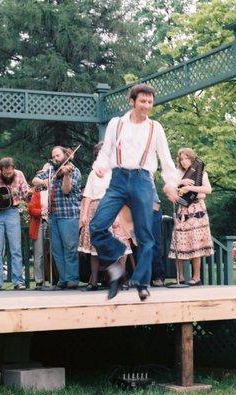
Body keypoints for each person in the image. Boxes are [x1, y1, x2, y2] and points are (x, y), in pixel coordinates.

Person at [90, 83, 179, 301]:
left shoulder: (154, 128)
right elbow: (107, 150)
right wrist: (100, 166)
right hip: (118, 179)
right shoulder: (116, 124)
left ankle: (142, 282)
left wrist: (170, 183)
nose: (147, 106)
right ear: (132, 101)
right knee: (97, 226)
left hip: (142, 180)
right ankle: (118, 261)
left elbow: (166, 158)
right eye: (142, 101)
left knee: (145, 235)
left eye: (150, 102)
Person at [78, 142, 132, 291]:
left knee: (119, 245)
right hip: (95, 209)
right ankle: (93, 281)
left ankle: (120, 280)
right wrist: (84, 214)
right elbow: (87, 195)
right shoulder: (93, 173)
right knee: (95, 247)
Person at [33, 146, 81, 289]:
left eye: (58, 156)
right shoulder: (50, 171)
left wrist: (66, 175)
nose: (55, 159)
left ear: (66, 155)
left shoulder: (74, 171)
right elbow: (34, 180)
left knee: (70, 248)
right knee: (57, 250)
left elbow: (66, 190)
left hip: (69, 215)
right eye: (53, 157)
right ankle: (63, 279)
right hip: (53, 215)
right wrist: (44, 182)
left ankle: (72, 279)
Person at [0, 157, 31, 290]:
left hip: (12, 212)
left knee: (16, 248)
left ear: (13, 168)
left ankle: (18, 281)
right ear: (1, 170)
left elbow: (25, 193)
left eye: (10, 172)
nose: (8, 175)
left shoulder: (19, 175)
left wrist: (29, 194)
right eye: (5, 173)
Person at [168, 148, 214, 286]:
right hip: (183, 209)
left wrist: (191, 188)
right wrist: (181, 183)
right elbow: (170, 188)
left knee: (196, 242)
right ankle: (180, 276)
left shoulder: (201, 173)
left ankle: (196, 277)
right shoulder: (177, 174)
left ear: (192, 158)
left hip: (197, 208)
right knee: (179, 241)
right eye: (181, 159)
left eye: (186, 158)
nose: (184, 161)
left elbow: (207, 190)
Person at [28, 163, 52, 289]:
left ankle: (55, 279)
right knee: (39, 253)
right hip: (40, 222)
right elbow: (31, 208)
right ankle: (39, 281)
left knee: (54, 252)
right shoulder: (36, 190)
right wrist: (41, 212)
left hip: (52, 221)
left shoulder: (54, 188)